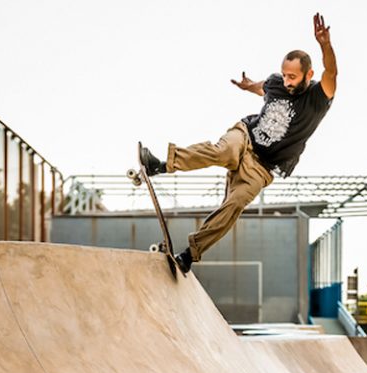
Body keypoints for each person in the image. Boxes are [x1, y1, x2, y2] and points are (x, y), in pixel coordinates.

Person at [140, 13, 337, 274]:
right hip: (245, 136)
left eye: (293, 77)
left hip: (263, 168)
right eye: (285, 75)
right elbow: (263, 87)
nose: (287, 82)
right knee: (224, 150)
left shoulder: (318, 97)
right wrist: (248, 86)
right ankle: (161, 166)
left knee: (233, 206)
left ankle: (190, 254)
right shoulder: (277, 82)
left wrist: (325, 45)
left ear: (307, 74)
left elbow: (331, 72)